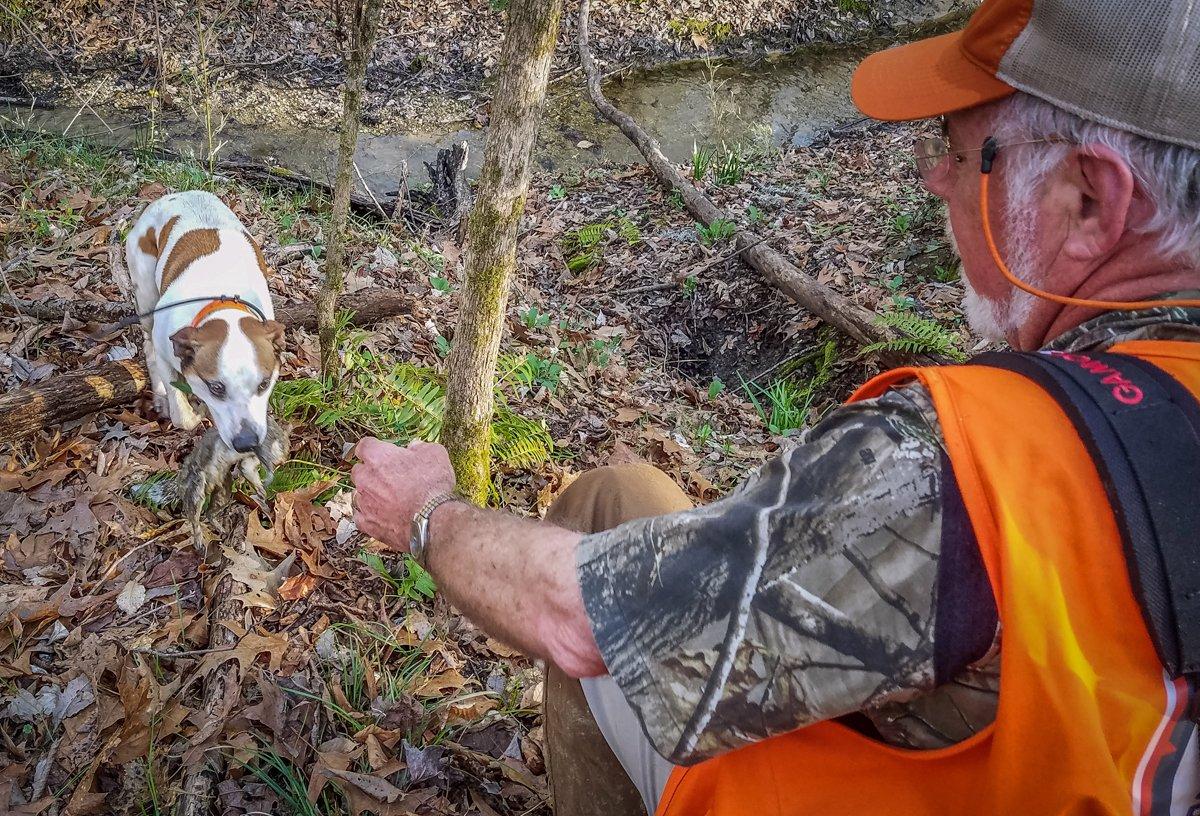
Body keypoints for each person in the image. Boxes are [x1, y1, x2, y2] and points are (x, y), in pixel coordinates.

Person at [351, 0, 1200, 812]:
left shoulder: (965, 463)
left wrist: (429, 511)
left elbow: (583, 622)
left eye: (966, 148)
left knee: (600, 573)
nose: (939, 181)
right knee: (615, 497)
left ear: (1089, 202)